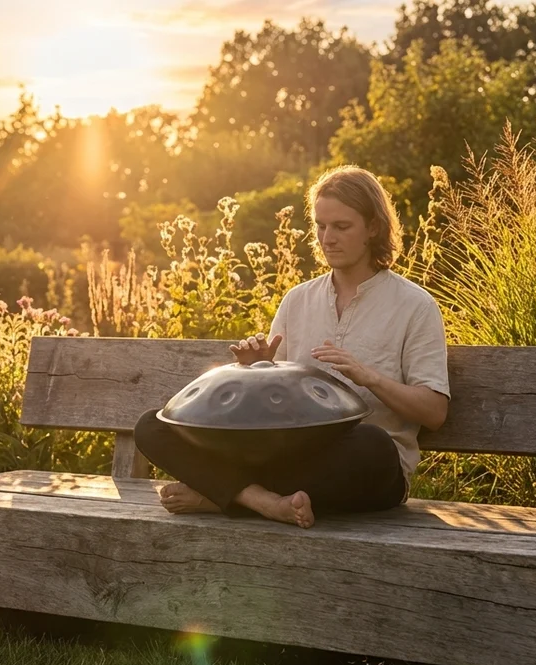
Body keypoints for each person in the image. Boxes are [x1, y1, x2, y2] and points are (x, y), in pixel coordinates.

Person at [133, 165, 451, 528]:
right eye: (320, 225)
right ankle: (264, 501)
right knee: (152, 426)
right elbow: (271, 416)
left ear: (374, 227)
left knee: (372, 444)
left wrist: (370, 378)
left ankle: (223, 497)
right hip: (287, 462)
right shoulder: (297, 300)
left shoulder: (415, 305)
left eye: (341, 227)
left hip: (362, 467)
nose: (326, 237)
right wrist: (256, 371)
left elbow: (434, 412)